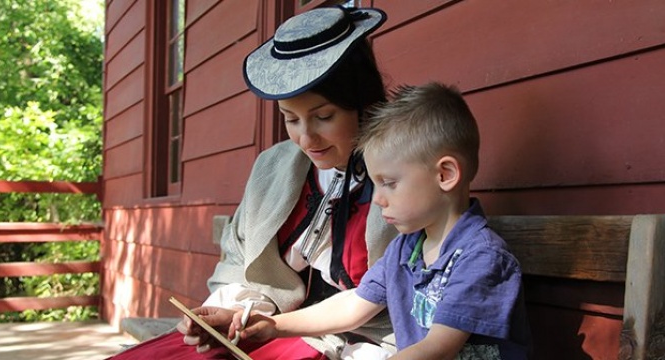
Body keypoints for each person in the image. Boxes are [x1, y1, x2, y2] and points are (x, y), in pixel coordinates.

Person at [109, 5, 399, 360]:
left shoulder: (400, 175)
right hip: (266, 328)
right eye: (290, 119)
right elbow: (240, 260)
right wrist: (232, 314)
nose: (306, 139)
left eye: (324, 117)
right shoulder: (274, 168)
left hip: (351, 343)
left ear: (362, 104)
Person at [229, 83, 533, 359]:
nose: (377, 199)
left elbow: (439, 348)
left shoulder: (480, 258)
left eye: (388, 183)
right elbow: (353, 306)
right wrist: (275, 325)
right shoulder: (406, 249)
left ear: (445, 175)